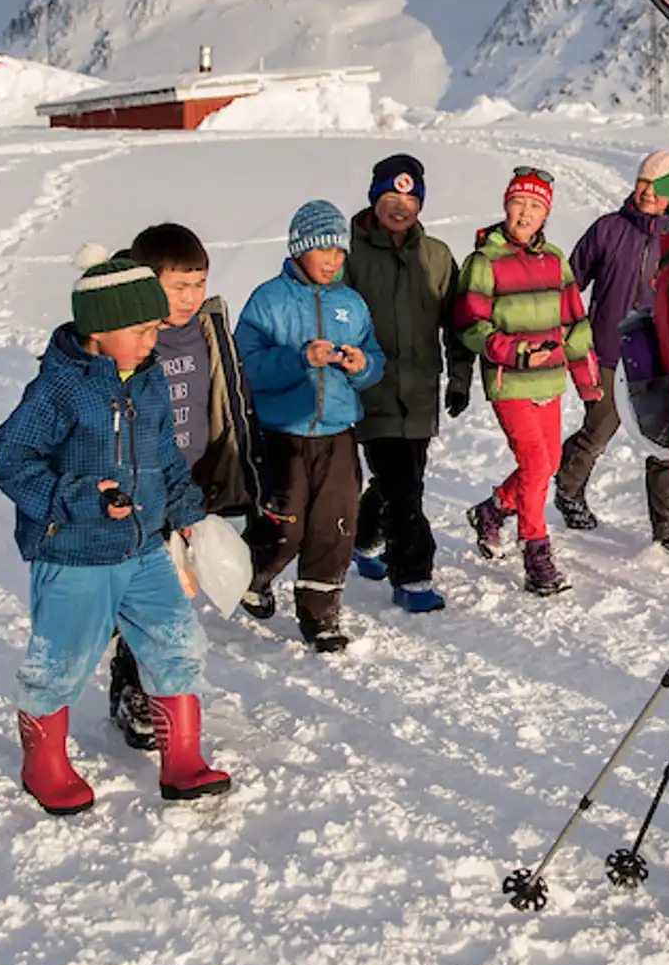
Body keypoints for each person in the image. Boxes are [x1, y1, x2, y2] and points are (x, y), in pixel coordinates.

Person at [0, 252, 228, 816]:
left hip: (143, 549)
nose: (153, 340)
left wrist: (187, 510)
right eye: (142, 329)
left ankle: (183, 759)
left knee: (178, 645)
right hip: (75, 553)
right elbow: (13, 461)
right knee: (63, 659)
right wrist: (79, 500)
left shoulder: (146, 384)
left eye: (155, 328)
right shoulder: (58, 391)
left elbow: (165, 458)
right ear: (98, 332)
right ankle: (43, 764)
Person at [104, 225, 263, 750]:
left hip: (190, 481)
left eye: (198, 284)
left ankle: (151, 683)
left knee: (177, 591)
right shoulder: (127, 337)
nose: (190, 297)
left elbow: (228, 397)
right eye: (178, 287)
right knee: (148, 593)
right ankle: (134, 688)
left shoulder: (207, 328)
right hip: (137, 487)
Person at [236, 200, 386, 653]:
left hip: (338, 433)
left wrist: (362, 366)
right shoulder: (269, 300)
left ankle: (321, 617)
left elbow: (374, 359)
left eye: (340, 253)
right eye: (324, 252)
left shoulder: (351, 303)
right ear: (300, 249)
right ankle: (253, 576)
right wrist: (299, 357)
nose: (333, 262)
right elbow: (247, 365)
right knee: (286, 525)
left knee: (335, 524)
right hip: (284, 434)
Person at [456, 167, 600, 597]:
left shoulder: (555, 260)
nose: (524, 214)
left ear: (545, 216)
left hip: (549, 380)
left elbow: (577, 323)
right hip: (510, 381)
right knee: (537, 466)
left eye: (535, 207)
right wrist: (512, 350)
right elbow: (469, 326)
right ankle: (535, 552)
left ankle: (493, 509)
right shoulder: (484, 262)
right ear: (506, 205)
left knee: (548, 463)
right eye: (519, 203)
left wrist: (587, 382)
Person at [553, 147, 669, 555]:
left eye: (657, 185)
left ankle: (668, 527)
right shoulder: (608, 229)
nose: (648, 192)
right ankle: (568, 490)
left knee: (665, 444)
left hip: (664, 356)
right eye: (642, 182)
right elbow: (569, 283)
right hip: (609, 352)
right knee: (598, 431)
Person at [344, 154, 470, 614]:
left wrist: (459, 378)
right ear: (374, 198)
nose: (400, 206)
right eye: (390, 196)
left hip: (420, 391)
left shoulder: (435, 256)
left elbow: (457, 323)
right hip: (370, 390)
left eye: (410, 197)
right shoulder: (350, 256)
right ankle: (412, 574)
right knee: (403, 487)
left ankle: (365, 539)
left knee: (402, 478)